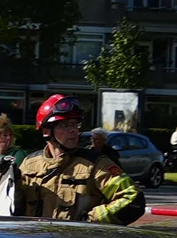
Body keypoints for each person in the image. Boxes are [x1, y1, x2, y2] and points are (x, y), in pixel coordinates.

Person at [15, 94, 144, 224]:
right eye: (65, 125)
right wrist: (8, 179)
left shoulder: (95, 164)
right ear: (46, 131)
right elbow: (14, 208)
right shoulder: (29, 164)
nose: (73, 130)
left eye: (75, 124)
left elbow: (133, 197)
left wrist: (90, 223)